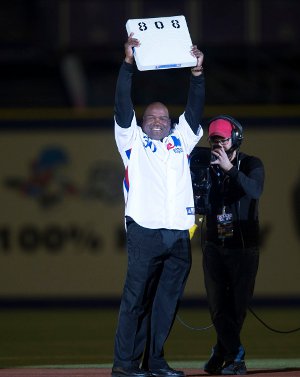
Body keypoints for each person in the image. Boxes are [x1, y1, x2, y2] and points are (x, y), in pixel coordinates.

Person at [112, 33, 205, 377]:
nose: (157, 121)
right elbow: (123, 104)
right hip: (144, 231)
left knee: (166, 304)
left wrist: (197, 75)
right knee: (135, 301)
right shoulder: (132, 141)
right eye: (152, 117)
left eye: (164, 118)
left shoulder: (179, 140)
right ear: (142, 121)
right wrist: (127, 67)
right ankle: (124, 365)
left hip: (178, 235)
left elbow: (194, 110)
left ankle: (155, 361)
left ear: (171, 123)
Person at [201, 115, 265, 375]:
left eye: (223, 138)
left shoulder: (251, 163)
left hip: (244, 246)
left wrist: (230, 169)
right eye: (214, 139)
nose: (218, 144)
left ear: (235, 137)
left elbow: (255, 190)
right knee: (218, 307)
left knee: (236, 309)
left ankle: (220, 352)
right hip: (215, 243)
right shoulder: (207, 165)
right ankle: (235, 357)